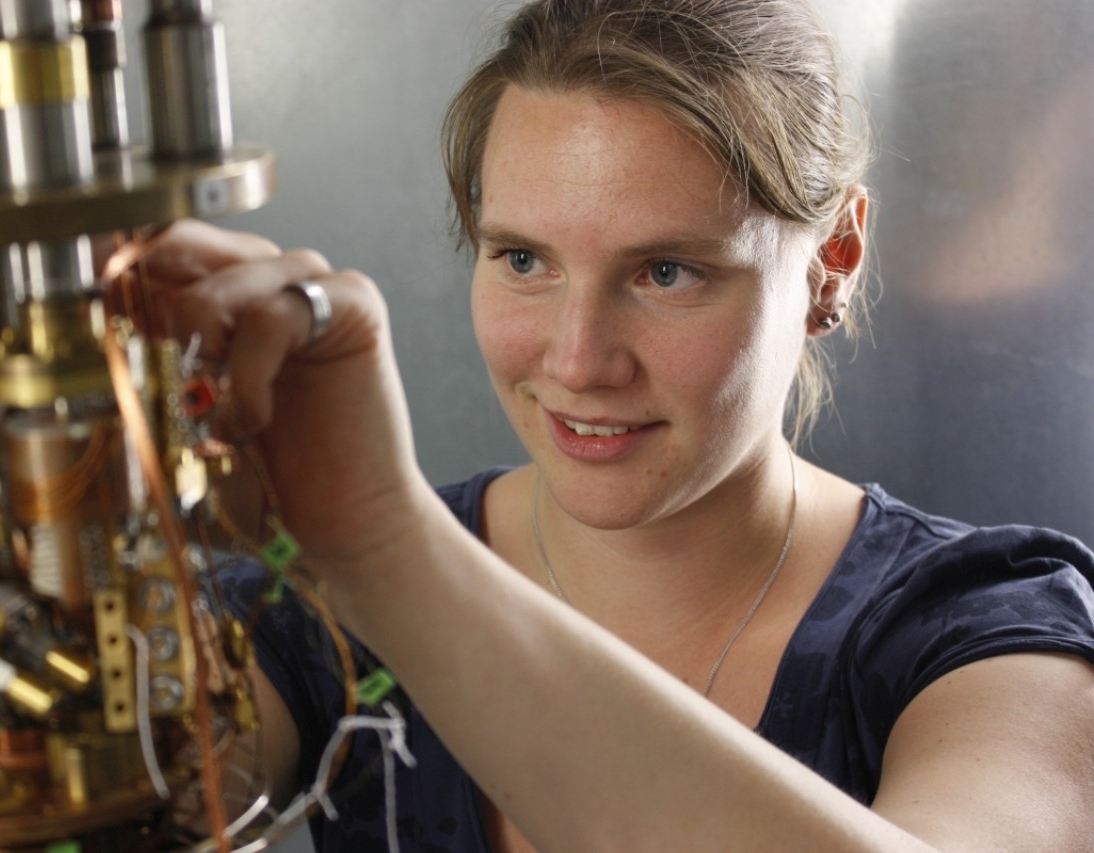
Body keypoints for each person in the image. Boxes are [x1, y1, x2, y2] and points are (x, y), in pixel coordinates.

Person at [139, 0, 1094, 850]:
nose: (578, 362)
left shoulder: (987, 630)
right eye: (523, 259)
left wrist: (384, 551)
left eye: (666, 272)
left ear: (832, 259)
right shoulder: (307, 612)